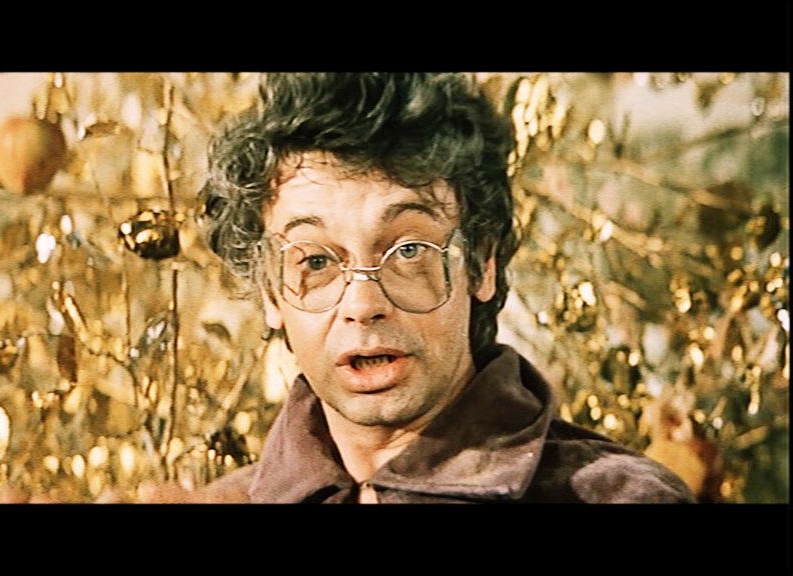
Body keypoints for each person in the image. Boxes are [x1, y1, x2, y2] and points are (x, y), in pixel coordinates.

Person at [194, 72, 695, 504]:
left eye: (409, 251)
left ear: (481, 263)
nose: (363, 305)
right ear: (270, 293)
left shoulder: (612, 493)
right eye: (317, 261)